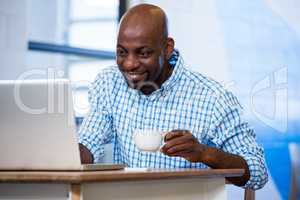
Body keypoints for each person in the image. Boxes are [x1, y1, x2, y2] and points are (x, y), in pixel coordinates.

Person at [78, 3, 268, 190]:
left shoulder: (213, 98)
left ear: (167, 48)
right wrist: (60, 149)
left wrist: (204, 153)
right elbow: (89, 142)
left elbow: (258, 172)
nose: (129, 64)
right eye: (122, 52)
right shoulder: (109, 82)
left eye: (143, 53)